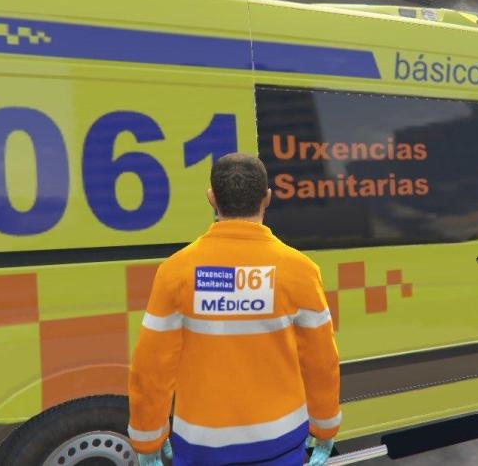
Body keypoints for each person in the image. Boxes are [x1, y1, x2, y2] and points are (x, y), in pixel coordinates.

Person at [128, 153, 341, 466]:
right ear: (267, 198)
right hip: (280, 442)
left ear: (211, 198)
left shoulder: (176, 271)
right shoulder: (300, 270)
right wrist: (325, 427)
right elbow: (321, 362)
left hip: (200, 444)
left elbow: (151, 367)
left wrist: (148, 440)